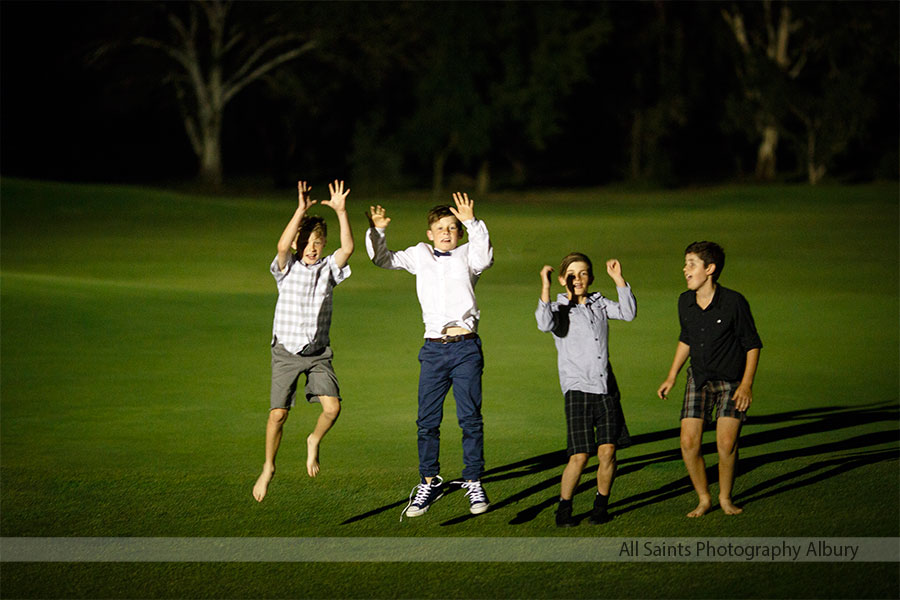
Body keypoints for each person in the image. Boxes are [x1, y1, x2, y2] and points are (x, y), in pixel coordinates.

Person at [365, 193, 493, 518]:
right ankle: (429, 481)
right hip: (433, 349)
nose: (447, 233)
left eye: (452, 228)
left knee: (469, 419)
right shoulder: (420, 254)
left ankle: (474, 480)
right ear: (430, 233)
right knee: (427, 422)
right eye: (440, 228)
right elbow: (383, 259)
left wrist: (472, 223)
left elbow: (485, 256)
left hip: (465, 347)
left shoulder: (468, 255)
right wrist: (377, 232)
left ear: (459, 233)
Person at [252, 180, 354, 503]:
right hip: (286, 352)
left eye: (318, 242)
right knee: (278, 415)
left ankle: (313, 441)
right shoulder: (288, 268)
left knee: (333, 408)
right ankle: (269, 466)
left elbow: (348, 249)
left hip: (318, 353)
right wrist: (300, 211)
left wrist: (340, 211)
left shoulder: (327, 270)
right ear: (300, 242)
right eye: (308, 242)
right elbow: (282, 247)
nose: (313, 247)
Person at [657, 241, 762, 517]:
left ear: (710, 268)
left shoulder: (734, 302)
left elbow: (752, 345)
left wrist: (746, 384)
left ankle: (725, 498)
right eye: (685, 264)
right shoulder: (685, 302)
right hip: (699, 379)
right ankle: (704, 499)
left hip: (732, 382)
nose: (685, 270)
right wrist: (671, 376)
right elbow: (686, 339)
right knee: (688, 442)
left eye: (691, 264)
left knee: (726, 443)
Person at [536, 253, 637, 527]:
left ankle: (600, 506)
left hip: (606, 387)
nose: (577, 279)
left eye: (583, 274)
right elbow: (543, 324)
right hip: (578, 389)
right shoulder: (558, 309)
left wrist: (619, 280)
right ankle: (564, 508)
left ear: (590, 278)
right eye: (571, 274)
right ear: (561, 279)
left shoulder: (599, 303)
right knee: (579, 456)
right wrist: (546, 289)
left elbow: (628, 313)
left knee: (608, 452)